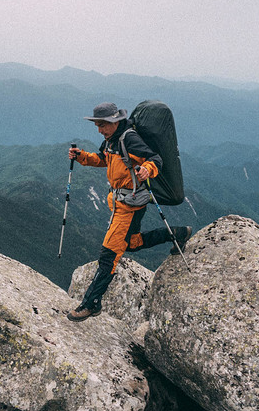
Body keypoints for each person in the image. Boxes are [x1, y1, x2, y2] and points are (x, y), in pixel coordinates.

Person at [67, 102, 192, 322]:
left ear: (114, 122)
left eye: (102, 125)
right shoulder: (111, 140)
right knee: (132, 243)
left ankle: (91, 303)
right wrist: (81, 157)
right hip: (119, 202)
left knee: (109, 255)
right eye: (97, 125)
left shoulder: (129, 138)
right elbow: (104, 160)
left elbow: (155, 159)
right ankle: (178, 233)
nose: (99, 129)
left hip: (128, 206)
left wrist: (147, 169)